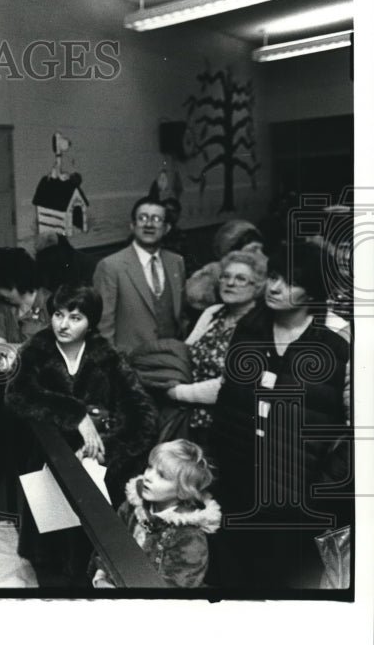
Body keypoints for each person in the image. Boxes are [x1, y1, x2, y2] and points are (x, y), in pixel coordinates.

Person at [209, 240, 351, 589]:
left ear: (313, 290)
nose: (274, 287)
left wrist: (320, 487)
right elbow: (227, 406)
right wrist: (218, 469)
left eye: (290, 281)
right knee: (230, 581)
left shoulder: (332, 350)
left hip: (295, 500)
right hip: (238, 485)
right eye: (273, 276)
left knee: (281, 588)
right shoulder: (248, 332)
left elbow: (352, 431)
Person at [4, 283, 158, 586]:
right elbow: (17, 395)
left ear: (91, 323)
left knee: (93, 557)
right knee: (49, 559)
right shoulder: (38, 348)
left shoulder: (107, 355)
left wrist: (106, 450)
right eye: (59, 314)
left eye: (75, 318)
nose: (63, 324)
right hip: (48, 456)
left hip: (98, 464)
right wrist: (76, 414)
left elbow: (144, 414)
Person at [164, 246, 268, 449]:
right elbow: (183, 354)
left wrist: (177, 392)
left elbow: (232, 383)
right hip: (188, 420)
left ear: (258, 287)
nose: (230, 283)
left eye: (240, 279)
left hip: (227, 425)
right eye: (225, 276)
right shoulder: (213, 312)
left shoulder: (260, 325)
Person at [91, 439, 221, 588]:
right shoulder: (131, 508)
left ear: (183, 491)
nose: (148, 476)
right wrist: (101, 576)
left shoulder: (190, 537)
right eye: (150, 467)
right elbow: (109, 546)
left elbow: (176, 586)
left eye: (162, 476)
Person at [92, 196, 186, 356]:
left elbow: (180, 315)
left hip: (171, 358)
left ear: (166, 228)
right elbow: (103, 326)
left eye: (156, 219)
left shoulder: (176, 262)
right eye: (142, 218)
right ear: (132, 225)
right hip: (131, 362)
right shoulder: (111, 266)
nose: (149, 224)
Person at [0, 246, 50, 370]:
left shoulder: (50, 303)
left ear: (13, 281)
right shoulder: (2, 307)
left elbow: (52, 351)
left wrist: (12, 348)